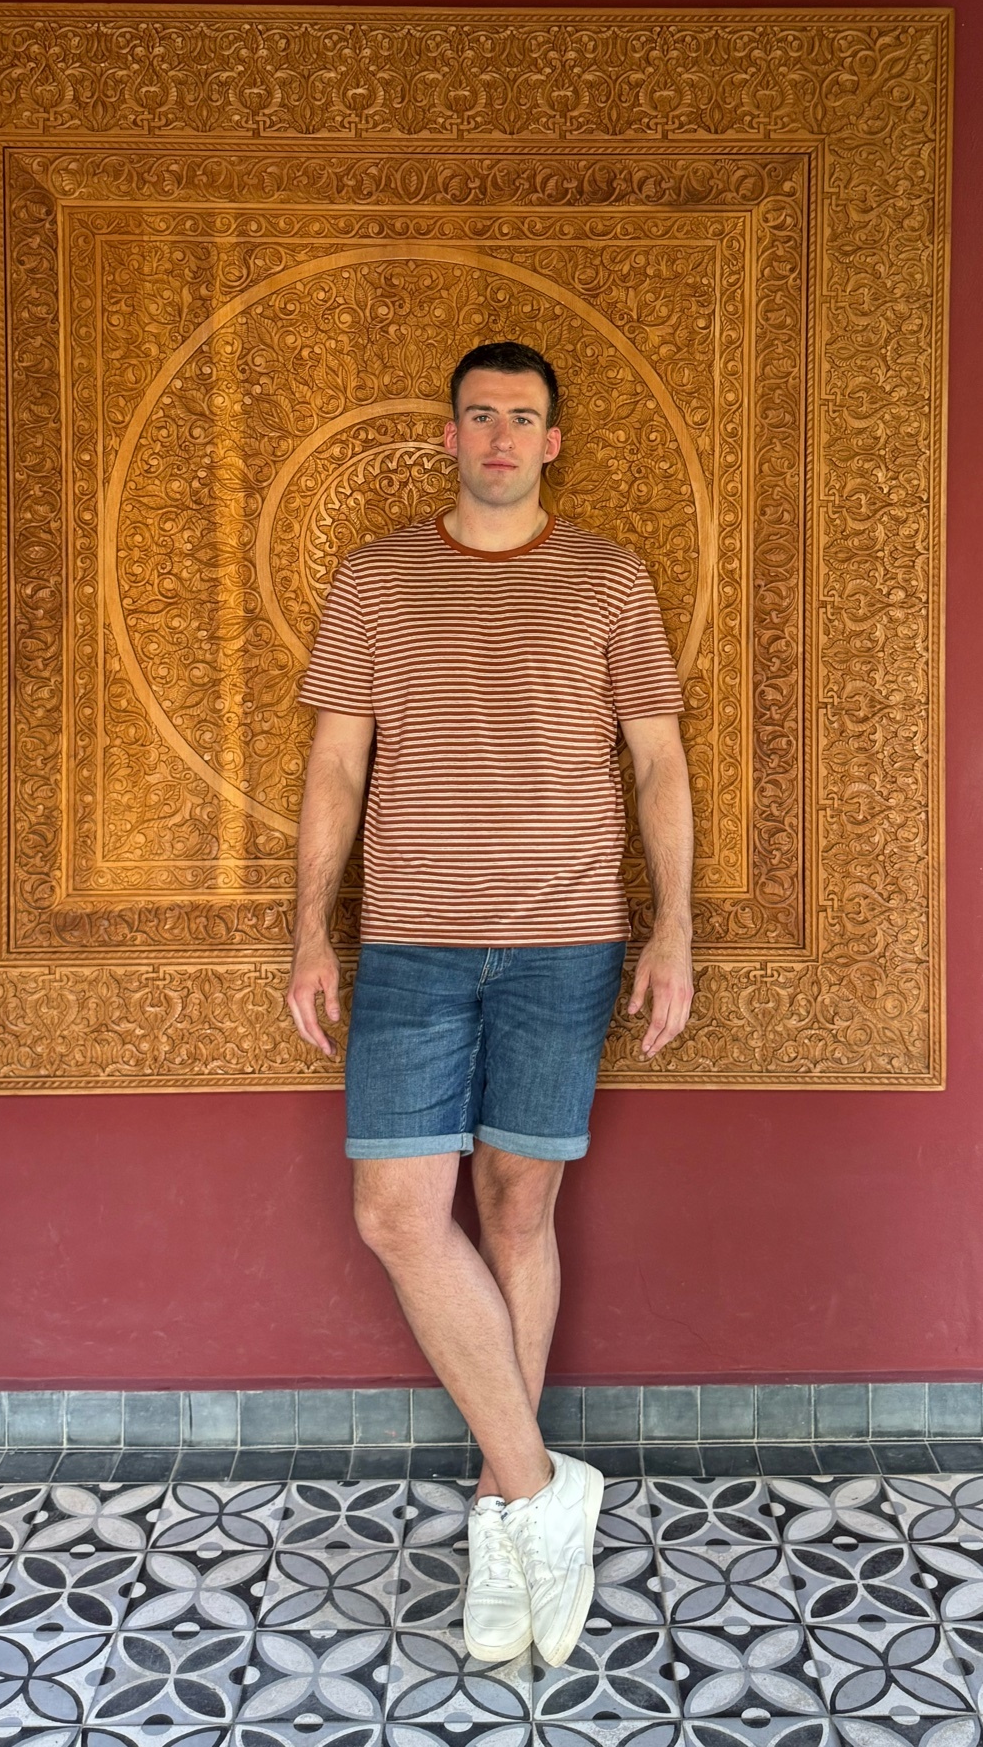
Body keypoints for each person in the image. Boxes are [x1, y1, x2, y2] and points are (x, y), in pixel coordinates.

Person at [287, 340, 695, 1668]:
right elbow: (336, 766)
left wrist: (674, 928)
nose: (502, 436)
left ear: (552, 441)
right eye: (480, 415)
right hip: (411, 942)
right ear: (450, 435)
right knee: (397, 1214)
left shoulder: (610, 578)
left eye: (524, 417)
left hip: (567, 942)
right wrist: (309, 930)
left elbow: (657, 763)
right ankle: (539, 1492)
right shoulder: (376, 579)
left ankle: (499, 1522)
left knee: (518, 1211)